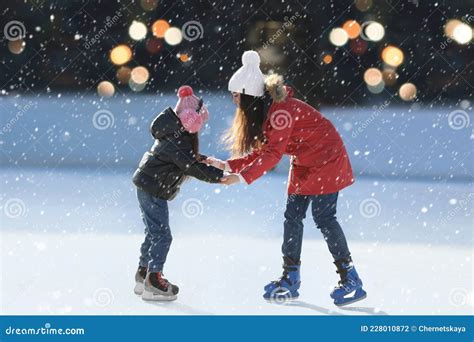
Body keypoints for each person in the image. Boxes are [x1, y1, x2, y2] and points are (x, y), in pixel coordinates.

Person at [206, 51, 367, 306]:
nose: (233, 99)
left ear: (249, 94)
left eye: (236, 94)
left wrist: (242, 177)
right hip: (304, 162)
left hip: (327, 159)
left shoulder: (281, 112)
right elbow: (264, 149)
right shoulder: (267, 110)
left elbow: (272, 156)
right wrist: (228, 164)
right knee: (292, 217)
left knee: (324, 217)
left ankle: (351, 279)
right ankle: (290, 278)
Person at [132, 85, 223, 301]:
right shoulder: (177, 140)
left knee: (153, 232)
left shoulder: (173, 134)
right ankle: (154, 281)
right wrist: (218, 177)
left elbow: (187, 160)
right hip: (152, 188)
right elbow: (189, 166)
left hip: (148, 185)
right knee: (163, 235)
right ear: (190, 119)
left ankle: (143, 274)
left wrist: (203, 160)